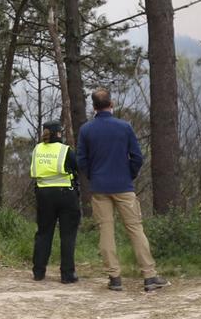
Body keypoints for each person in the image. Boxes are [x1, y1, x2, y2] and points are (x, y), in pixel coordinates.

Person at [75, 88, 162, 292]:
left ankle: (114, 277)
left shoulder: (86, 130)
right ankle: (149, 276)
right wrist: (129, 174)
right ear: (111, 104)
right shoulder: (124, 127)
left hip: (99, 187)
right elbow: (137, 157)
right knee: (135, 228)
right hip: (123, 185)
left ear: (94, 107)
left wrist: (93, 176)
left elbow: (81, 160)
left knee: (106, 230)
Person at [28, 120, 79, 284]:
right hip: (66, 194)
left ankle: (38, 272)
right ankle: (67, 274)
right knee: (67, 235)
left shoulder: (37, 149)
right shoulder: (65, 150)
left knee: (43, 233)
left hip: (43, 195)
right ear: (59, 133)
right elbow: (77, 167)